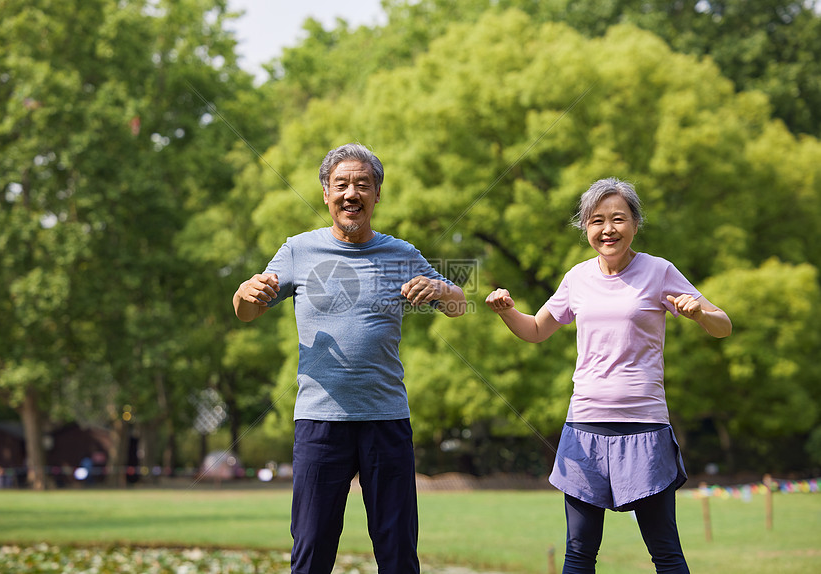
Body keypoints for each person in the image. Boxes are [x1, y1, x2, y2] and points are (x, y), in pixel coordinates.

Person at [233, 143, 467, 574]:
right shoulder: (298, 250)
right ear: (325, 193)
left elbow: (459, 304)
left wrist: (441, 290)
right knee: (312, 547)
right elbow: (248, 310)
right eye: (341, 184)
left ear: (377, 194)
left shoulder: (402, 254)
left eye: (362, 184)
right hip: (320, 423)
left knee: (397, 551)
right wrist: (243, 294)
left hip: (386, 419)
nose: (351, 193)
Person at [485, 178, 731, 574]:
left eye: (618, 218)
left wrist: (700, 313)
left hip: (644, 427)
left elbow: (724, 325)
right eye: (596, 220)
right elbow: (535, 330)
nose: (608, 229)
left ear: (635, 223)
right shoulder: (577, 278)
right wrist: (506, 311)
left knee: (665, 552)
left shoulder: (659, 271)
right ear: (585, 227)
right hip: (584, 426)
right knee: (579, 553)